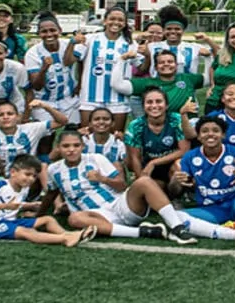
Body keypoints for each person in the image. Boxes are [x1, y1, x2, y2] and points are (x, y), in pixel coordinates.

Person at [39, 128, 198, 244]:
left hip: (119, 205)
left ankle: (177, 228)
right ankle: (145, 232)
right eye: (66, 146)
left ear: (82, 146)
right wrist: (38, 216)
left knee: (143, 182)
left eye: (76, 145)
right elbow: (51, 193)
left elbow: (122, 186)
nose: (71, 150)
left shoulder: (96, 159)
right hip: (95, 216)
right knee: (74, 219)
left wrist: (102, 179)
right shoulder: (54, 169)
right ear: (58, 148)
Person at [169, 115, 235, 250]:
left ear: (223, 135)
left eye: (215, 130)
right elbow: (175, 192)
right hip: (212, 209)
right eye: (204, 131)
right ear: (198, 137)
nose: (210, 134)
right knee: (175, 217)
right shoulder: (190, 157)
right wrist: (175, 181)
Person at [0, 154, 96, 246]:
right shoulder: (0, 184)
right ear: (13, 172)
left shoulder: (23, 188)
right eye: (27, 174)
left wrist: (29, 205)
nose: (31, 179)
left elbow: (15, 205)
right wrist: (8, 205)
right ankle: (64, 239)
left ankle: (67, 234)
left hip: (10, 220)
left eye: (34, 176)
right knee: (25, 232)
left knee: (47, 219)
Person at [74, 6, 133, 134]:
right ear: (104, 21)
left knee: (115, 137)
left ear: (124, 23)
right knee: (87, 135)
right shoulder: (90, 39)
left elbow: (142, 66)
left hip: (118, 98)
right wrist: (72, 42)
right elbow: (72, 60)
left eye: (120, 20)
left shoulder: (130, 43)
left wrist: (146, 54)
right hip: (90, 96)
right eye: (112, 19)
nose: (116, 22)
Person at [124, 88, 195, 183]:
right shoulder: (136, 125)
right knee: (151, 186)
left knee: (179, 166)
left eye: (159, 101)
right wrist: (141, 180)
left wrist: (154, 163)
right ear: (143, 106)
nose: (154, 106)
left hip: (172, 162)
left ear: (166, 105)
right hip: (150, 167)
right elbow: (135, 157)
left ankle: (181, 192)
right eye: (149, 102)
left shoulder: (176, 120)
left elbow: (184, 150)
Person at [24, 12, 80, 127]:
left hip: (69, 98)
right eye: (44, 31)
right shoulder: (33, 53)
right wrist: (44, 69)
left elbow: (81, 61)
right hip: (44, 101)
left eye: (52, 30)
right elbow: (37, 86)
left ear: (60, 30)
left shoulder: (68, 45)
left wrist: (80, 85)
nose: (49, 34)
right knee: (46, 139)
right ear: (39, 33)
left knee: (74, 134)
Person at [111, 46, 203, 115]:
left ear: (176, 65)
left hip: (189, 126)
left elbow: (211, 79)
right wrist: (122, 60)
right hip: (160, 127)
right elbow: (117, 84)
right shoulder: (147, 83)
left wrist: (207, 58)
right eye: (161, 62)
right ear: (155, 67)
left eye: (170, 62)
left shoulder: (188, 78)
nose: (166, 64)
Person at [142, 5, 212, 76]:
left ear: (183, 30)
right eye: (169, 29)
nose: (173, 31)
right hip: (158, 86)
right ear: (163, 30)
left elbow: (219, 55)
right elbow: (142, 69)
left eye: (177, 29)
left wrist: (208, 40)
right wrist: (146, 55)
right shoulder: (151, 47)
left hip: (187, 85)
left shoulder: (194, 47)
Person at [79, 106, 128, 171]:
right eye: (97, 119)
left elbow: (128, 165)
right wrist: (75, 135)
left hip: (111, 178)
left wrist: (127, 143)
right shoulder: (83, 141)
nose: (101, 122)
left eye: (106, 119)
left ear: (113, 123)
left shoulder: (118, 143)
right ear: (90, 124)